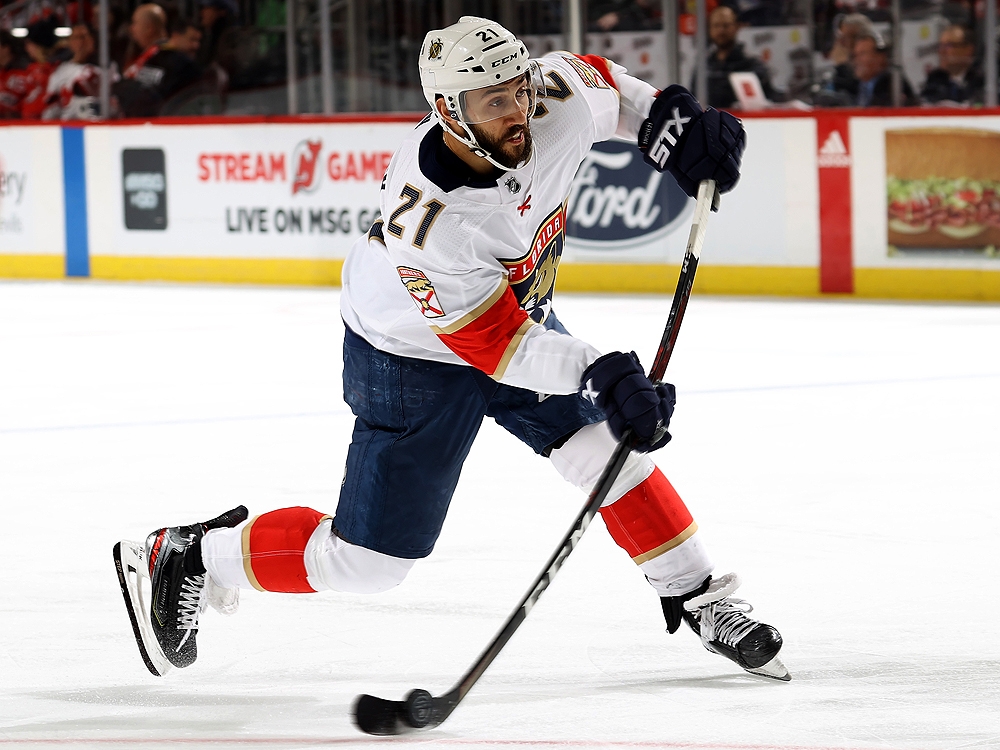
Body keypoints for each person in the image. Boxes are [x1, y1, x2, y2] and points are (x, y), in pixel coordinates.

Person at [115, 16, 788, 686]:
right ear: (447, 111)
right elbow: (496, 348)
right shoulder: (431, 221)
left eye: (519, 89)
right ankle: (192, 556)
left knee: (605, 449)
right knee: (368, 565)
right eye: (494, 102)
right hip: (409, 353)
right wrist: (600, 375)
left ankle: (697, 596)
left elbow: (610, 89)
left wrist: (675, 128)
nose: (518, 110)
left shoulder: (550, 95)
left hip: (507, 318)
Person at [111, 3, 200, 117]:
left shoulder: (179, 63)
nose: (131, 28)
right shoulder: (144, 57)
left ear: (149, 28)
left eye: (135, 23)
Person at [691, 5, 780, 108]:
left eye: (726, 25)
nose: (721, 31)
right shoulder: (703, 66)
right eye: (716, 25)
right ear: (709, 29)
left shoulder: (753, 65)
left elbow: (768, 101)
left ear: (737, 27)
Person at [41, 22, 102, 120]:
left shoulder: (106, 67)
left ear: (92, 40)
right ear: (69, 42)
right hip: (68, 125)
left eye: (84, 37)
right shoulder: (60, 71)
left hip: (97, 125)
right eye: (76, 38)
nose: (81, 42)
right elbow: (50, 107)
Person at [920, 24, 983, 105]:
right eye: (940, 46)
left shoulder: (981, 81)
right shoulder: (934, 80)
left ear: (968, 49)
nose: (941, 51)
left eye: (948, 46)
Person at [850, 33, 915, 106]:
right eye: (855, 55)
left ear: (880, 57)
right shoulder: (855, 85)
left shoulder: (893, 84)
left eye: (862, 54)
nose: (856, 60)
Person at [19, 19, 57, 118]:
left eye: (29, 43)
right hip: (29, 122)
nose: (26, 48)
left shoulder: (55, 68)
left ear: (37, 45)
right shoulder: (31, 68)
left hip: (47, 121)